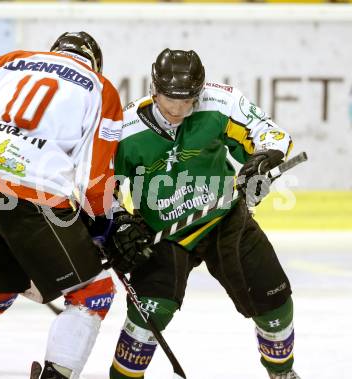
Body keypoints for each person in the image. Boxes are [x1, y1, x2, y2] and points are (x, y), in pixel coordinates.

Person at [0, 31, 123, 379]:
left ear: (54, 52)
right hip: (33, 195)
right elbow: (95, 178)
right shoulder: (99, 86)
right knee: (93, 290)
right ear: (95, 62)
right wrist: (104, 223)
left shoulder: (15, 60)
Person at [105, 48, 299, 379]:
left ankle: (282, 372)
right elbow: (102, 186)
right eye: (171, 99)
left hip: (223, 218)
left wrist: (263, 160)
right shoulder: (125, 128)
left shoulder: (219, 103)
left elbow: (273, 135)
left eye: (188, 98)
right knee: (146, 320)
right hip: (161, 232)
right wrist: (119, 222)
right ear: (154, 89)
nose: (180, 108)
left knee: (274, 297)